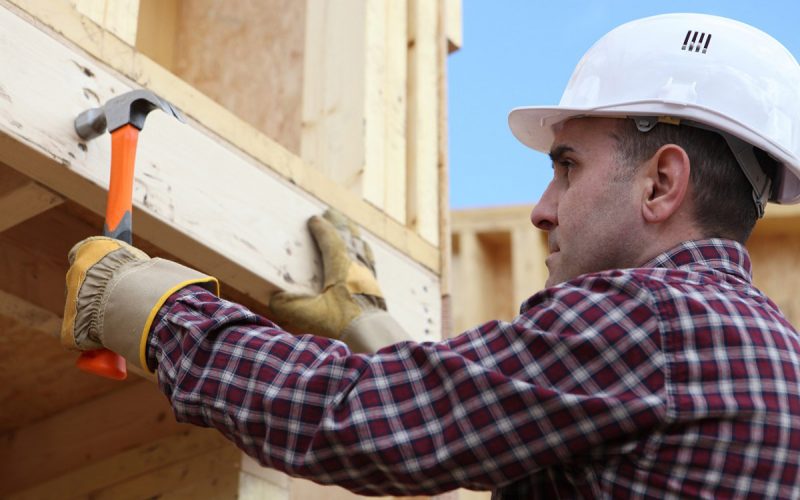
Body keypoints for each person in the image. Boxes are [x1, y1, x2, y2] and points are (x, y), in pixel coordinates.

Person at [60, 13, 800, 498]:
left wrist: (159, 312)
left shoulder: (650, 320)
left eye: (567, 165)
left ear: (662, 182)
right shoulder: (761, 350)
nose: (543, 208)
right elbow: (492, 433)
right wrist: (373, 332)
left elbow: (354, 420)